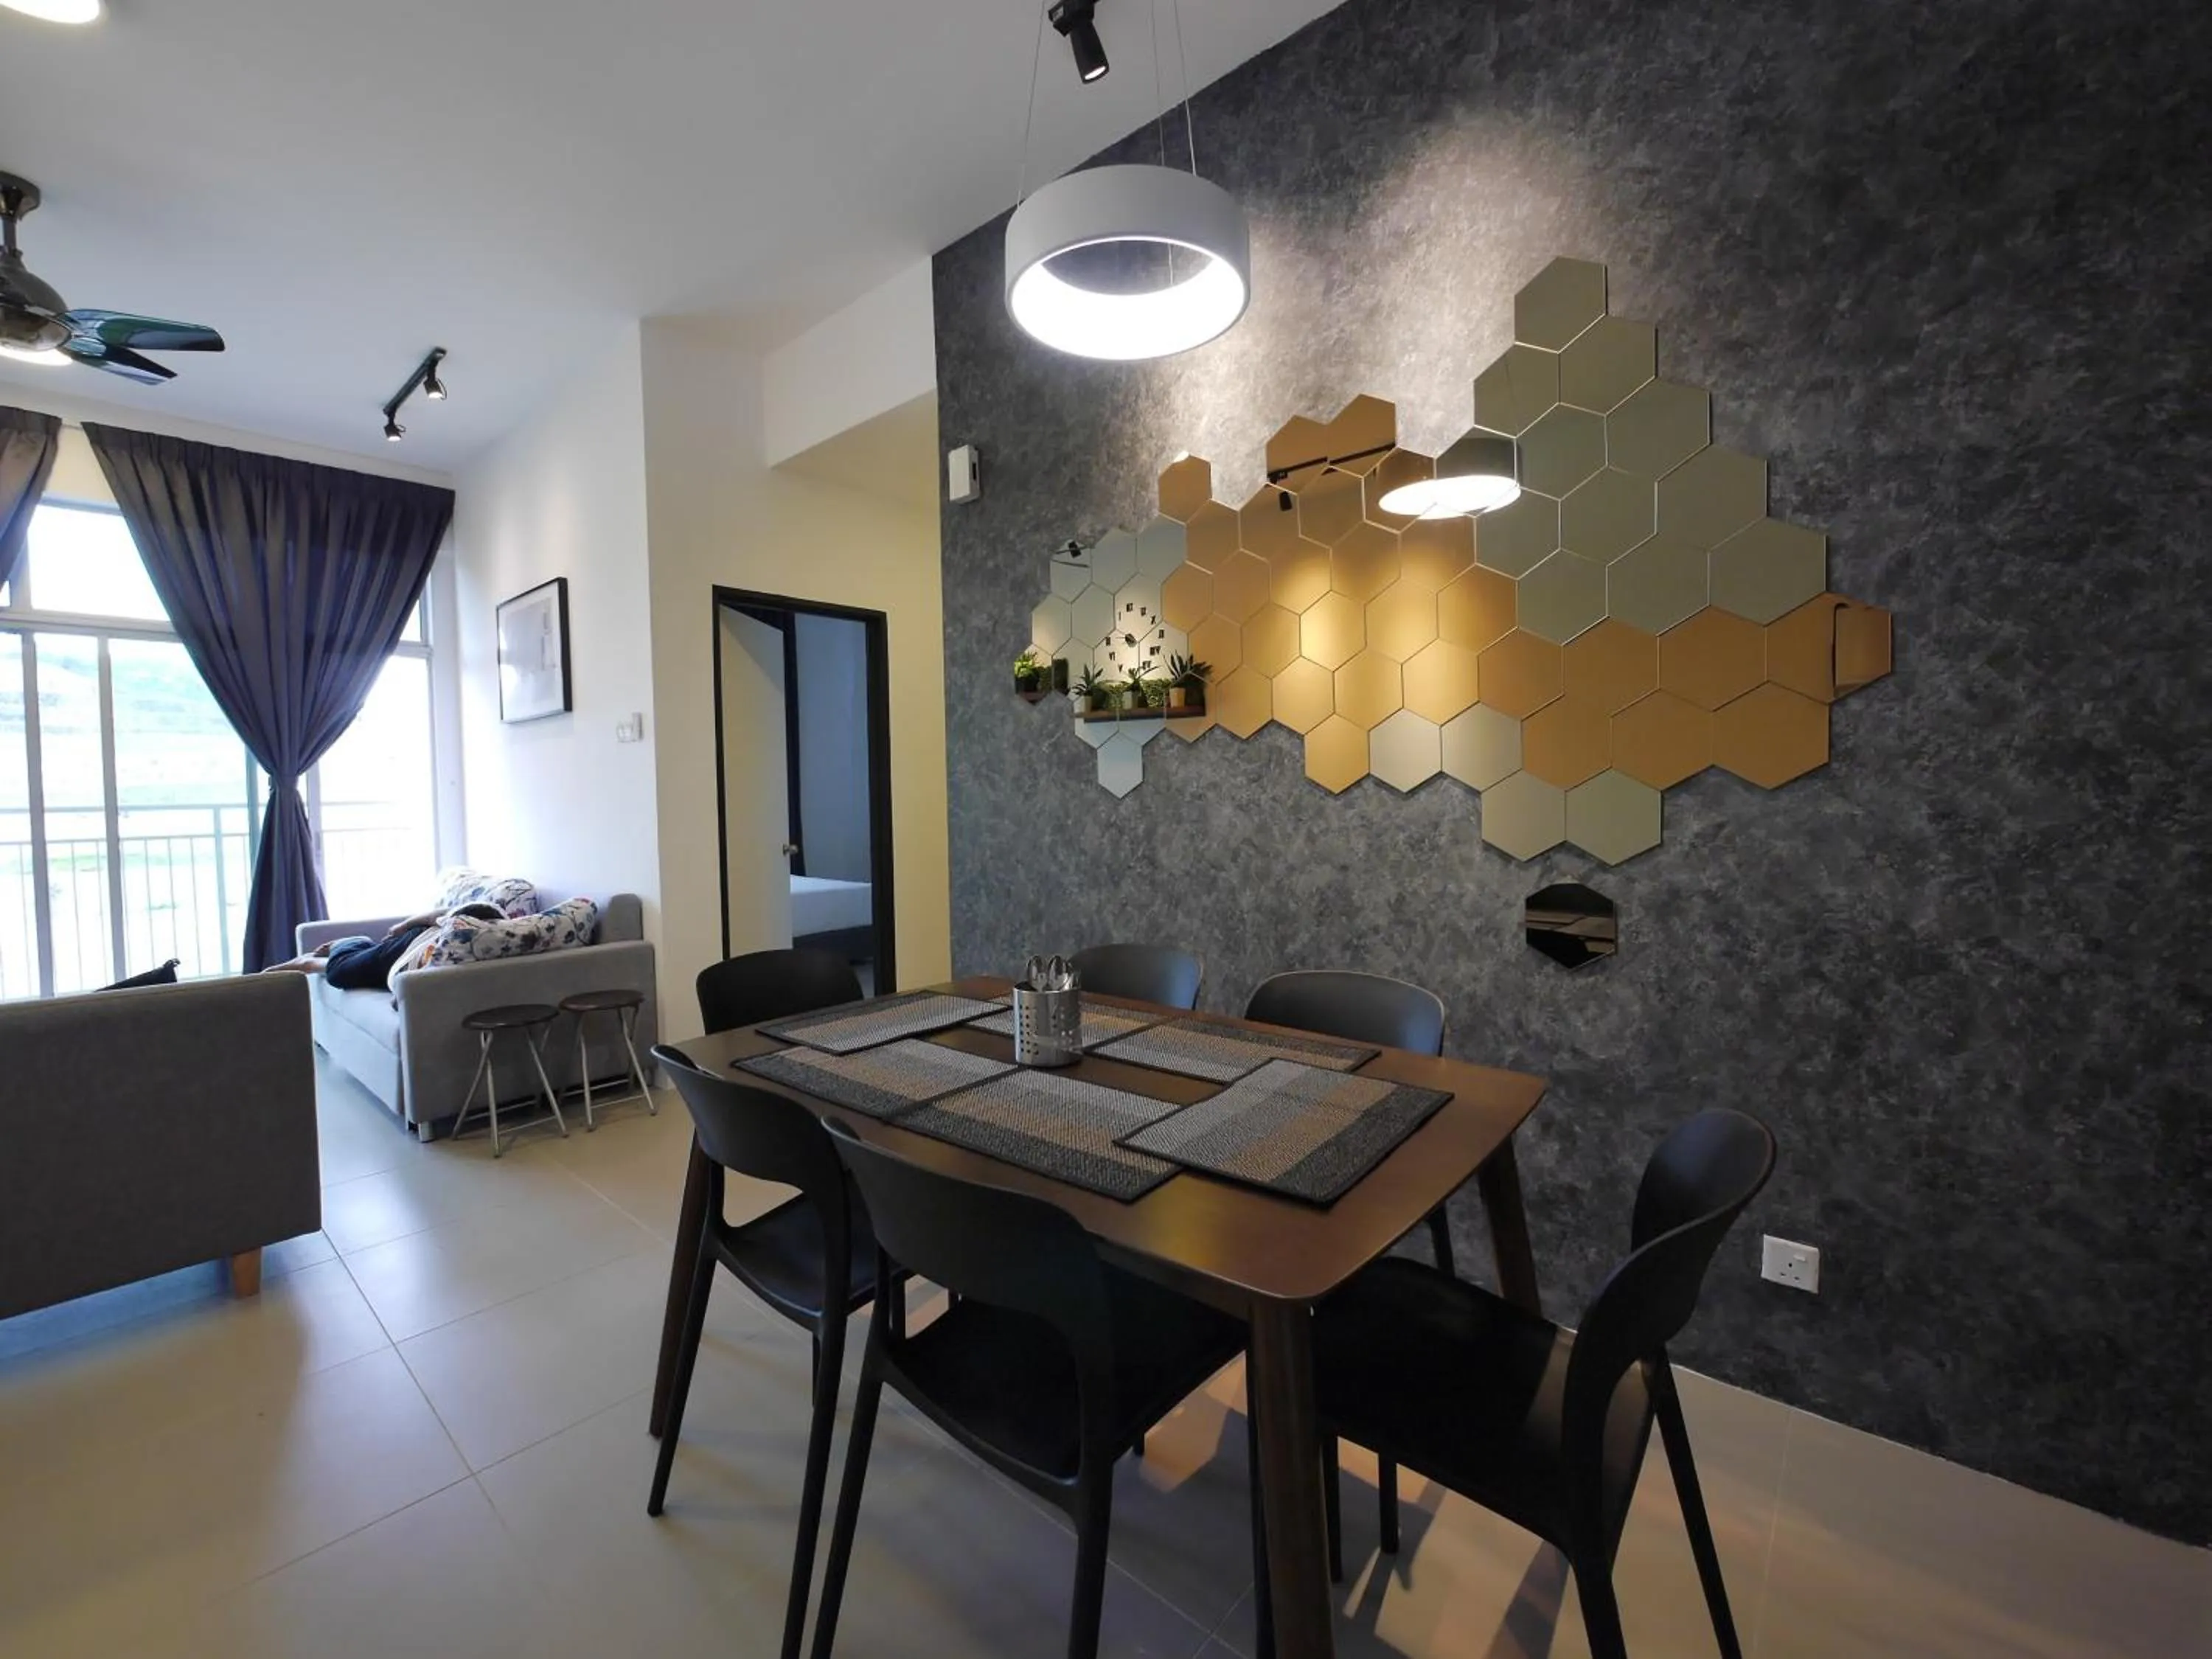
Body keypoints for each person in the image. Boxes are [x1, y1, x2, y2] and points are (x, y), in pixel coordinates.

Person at [263, 901, 504, 990]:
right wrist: (405, 925)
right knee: (339, 973)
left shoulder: (509, 936)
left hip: (414, 954)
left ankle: (359, 946)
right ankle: (315, 958)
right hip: (409, 947)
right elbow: (442, 913)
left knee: (359, 966)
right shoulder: (479, 916)